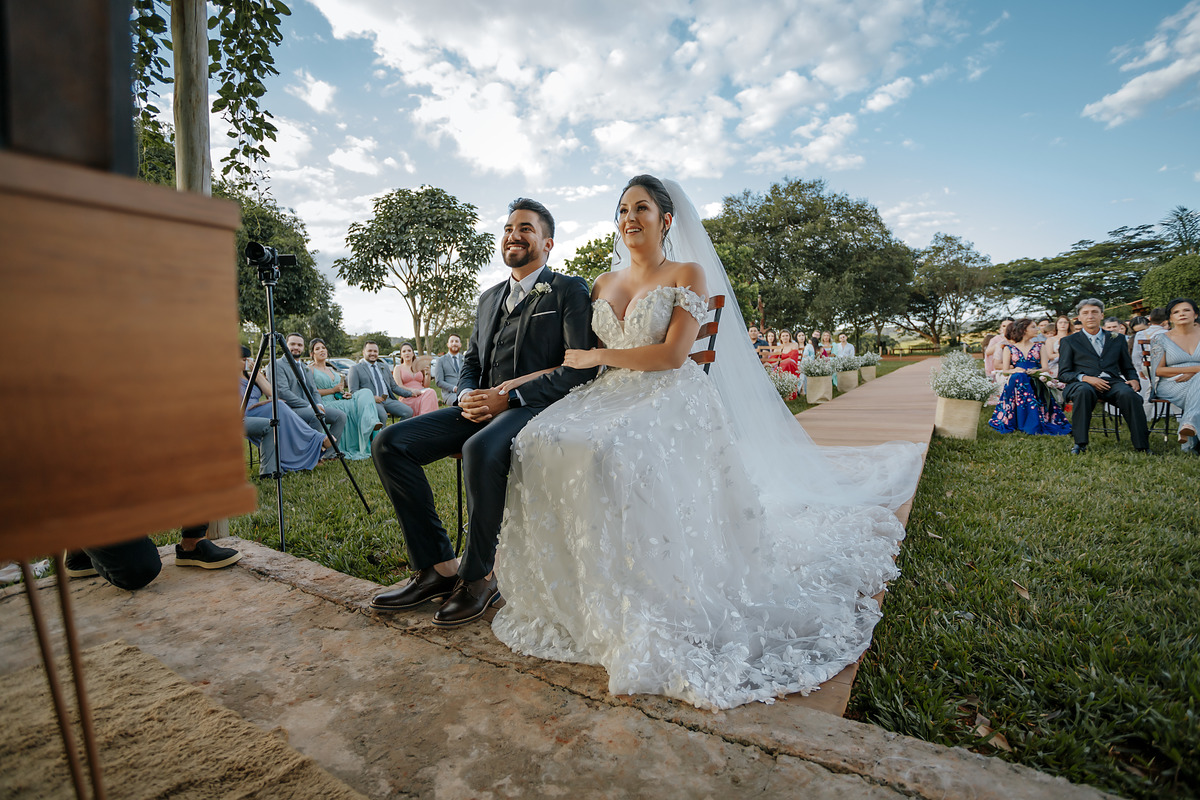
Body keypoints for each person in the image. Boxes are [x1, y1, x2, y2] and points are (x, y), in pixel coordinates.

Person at [491, 175, 923, 711]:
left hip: (667, 391)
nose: (629, 218)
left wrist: (601, 358)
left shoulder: (686, 272)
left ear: (666, 220)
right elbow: (572, 359)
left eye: (641, 208)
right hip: (608, 392)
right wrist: (522, 383)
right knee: (539, 437)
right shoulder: (601, 283)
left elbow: (674, 356)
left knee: (608, 449)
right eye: (622, 209)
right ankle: (572, 589)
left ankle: (642, 590)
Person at [369, 198, 598, 626]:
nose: (514, 235)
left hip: (538, 406)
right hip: (480, 406)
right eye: (509, 227)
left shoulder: (569, 290)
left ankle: (479, 576)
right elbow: (473, 360)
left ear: (547, 243)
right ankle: (436, 567)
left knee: (479, 449)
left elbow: (578, 369)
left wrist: (508, 398)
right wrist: (467, 393)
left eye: (526, 229)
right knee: (390, 443)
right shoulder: (490, 297)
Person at [1059, 299, 1148, 454]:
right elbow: (1063, 373)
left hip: (1112, 382)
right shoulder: (1069, 341)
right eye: (1085, 313)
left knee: (1129, 395)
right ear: (1079, 317)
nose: (1090, 316)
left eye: (1094, 312)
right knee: (1084, 391)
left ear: (1102, 315)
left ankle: (1142, 446)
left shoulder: (1117, 338)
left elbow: (1127, 366)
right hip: (1082, 383)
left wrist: (1134, 379)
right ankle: (1080, 444)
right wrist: (1085, 378)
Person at [242, 348, 331, 473]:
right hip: (242, 413)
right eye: (243, 359)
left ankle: (309, 444)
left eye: (248, 359)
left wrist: (257, 375)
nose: (246, 361)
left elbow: (270, 392)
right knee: (279, 405)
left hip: (257, 411)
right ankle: (315, 439)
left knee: (279, 406)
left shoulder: (250, 376)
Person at [987, 318, 1071, 436]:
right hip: (1017, 378)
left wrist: (1033, 371)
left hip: (1035, 377)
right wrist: (1015, 369)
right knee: (1020, 376)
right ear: (1024, 330)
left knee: (1023, 377)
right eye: (1033, 327)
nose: (1037, 329)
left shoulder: (1040, 347)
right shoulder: (1009, 348)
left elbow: (1045, 368)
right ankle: (1025, 420)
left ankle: (1029, 420)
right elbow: (1005, 371)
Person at [276, 333, 347, 456]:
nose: (296, 347)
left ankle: (328, 454)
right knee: (316, 414)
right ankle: (313, 455)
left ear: (303, 348)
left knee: (340, 416)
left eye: (299, 345)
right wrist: (311, 406)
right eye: (292, 344)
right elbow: (283, 392)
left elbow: (314, 390)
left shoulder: (305, 367)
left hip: (309, 407)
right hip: (289, 409)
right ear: (285, 345)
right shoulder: (278, 364)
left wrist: (319, 403)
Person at [309, 337, 380, 460]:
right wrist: (332, 390)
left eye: (323, 348)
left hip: (337, 400)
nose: (322, 350)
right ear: (312, 353)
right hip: (324, 404)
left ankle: (371, 422)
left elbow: (337, 390)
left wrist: (344, 393)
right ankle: (368, 425)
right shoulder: (310, 369)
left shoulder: (331, 369)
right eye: (317, 349)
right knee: (353, 407)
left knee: (366, 392)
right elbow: (311, 393)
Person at [1150, 298, 1200, 451]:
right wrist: (1194, 371)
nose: (1181, 314)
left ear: (1195, 314)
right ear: (1170, 318)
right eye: (1176, 312)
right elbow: (1158, 371)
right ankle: (1190, 432)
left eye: (1186, 310)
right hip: (1173, 382)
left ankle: (1189, 425)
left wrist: (1195, 374)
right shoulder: (1160, 339)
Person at [349, 341, 415, 426]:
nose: (373, 353)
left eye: (375, 351)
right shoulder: (355, 369)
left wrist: (411, 393)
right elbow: (353, 392)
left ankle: (396, 434)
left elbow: (394, 387)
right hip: (371, 402)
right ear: (363, 352)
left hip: (387, 400)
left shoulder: (384, 366)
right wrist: (371, 398)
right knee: (382, 416)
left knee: (408, 412)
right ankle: (382, 439)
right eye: (369, 351)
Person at [392, 342, 439, 416]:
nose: (407, 353)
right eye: (404, 351)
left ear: (413, 353)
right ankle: (425, 420)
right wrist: (412, 391)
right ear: (401, 355)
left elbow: (426, 386)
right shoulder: (398, 368)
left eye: (409, 351)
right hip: (408, 396)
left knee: (431, 392)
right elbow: (399, 386)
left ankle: (425, 419)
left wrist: (428, 374)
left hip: (421, 394)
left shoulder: (418, 367)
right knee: (430, 393)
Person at [1132, 307, 1168, 399]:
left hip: (1147, 367)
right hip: (1164, 368)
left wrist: (1139, 369)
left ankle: (1147, 411)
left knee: (1152, 386)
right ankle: (1176, 412)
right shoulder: (1167, 333)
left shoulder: (1140, 334)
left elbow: (1136, 355)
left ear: (1150, 319)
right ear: (1165, 321)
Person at [431, 334, 465, 401]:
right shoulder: (440, 360)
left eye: (456, 341)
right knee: (462, 402)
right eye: (451, 341)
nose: (454, 343)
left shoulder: (465, 359)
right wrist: (454, 388)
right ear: (448, 344)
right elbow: (439, 382)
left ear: (460, 344)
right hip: (450, 394)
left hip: (465, 391)